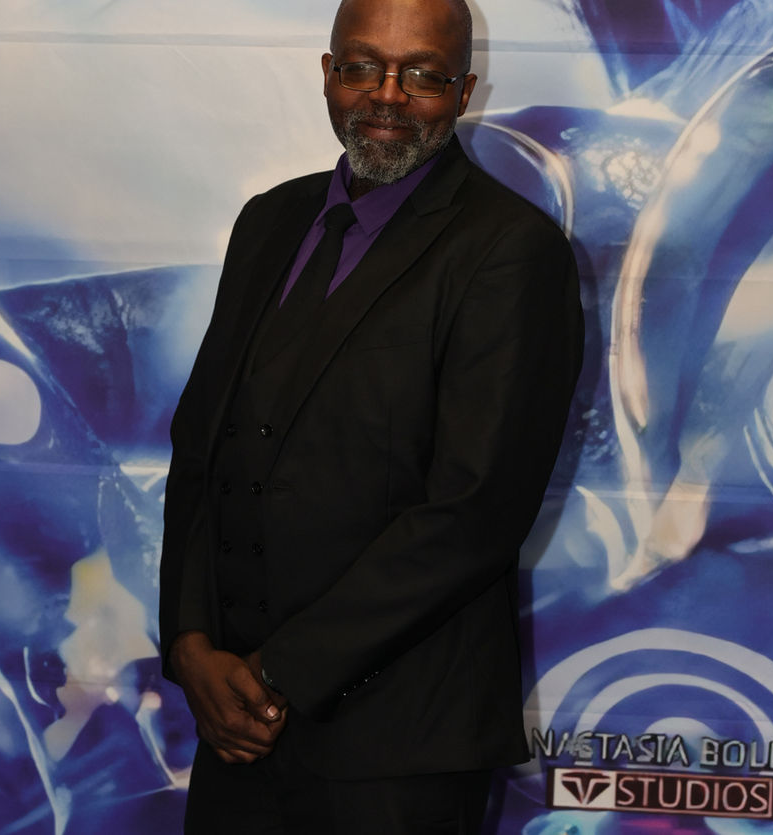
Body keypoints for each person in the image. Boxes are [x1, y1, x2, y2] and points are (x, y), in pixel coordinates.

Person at [159, 0, 583, 831]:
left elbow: (474, 511)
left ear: (463, 91)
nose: (387, 95)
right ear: (328, 75)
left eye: (421, 74)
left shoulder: (510, 250)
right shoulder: (268, 221)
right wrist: (190, 643)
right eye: (362, 66)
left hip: (398, 753)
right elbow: (201, 449)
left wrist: (275, 676)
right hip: (232, 730)